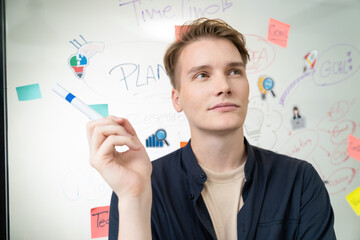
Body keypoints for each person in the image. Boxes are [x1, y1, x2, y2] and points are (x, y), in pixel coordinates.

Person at [86, 18, 336, 240]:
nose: (224, 86)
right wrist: (132, 197)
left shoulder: (300, 180)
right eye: (202, 75)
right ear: (177, 99)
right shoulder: (141, 185)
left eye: (234, 71)